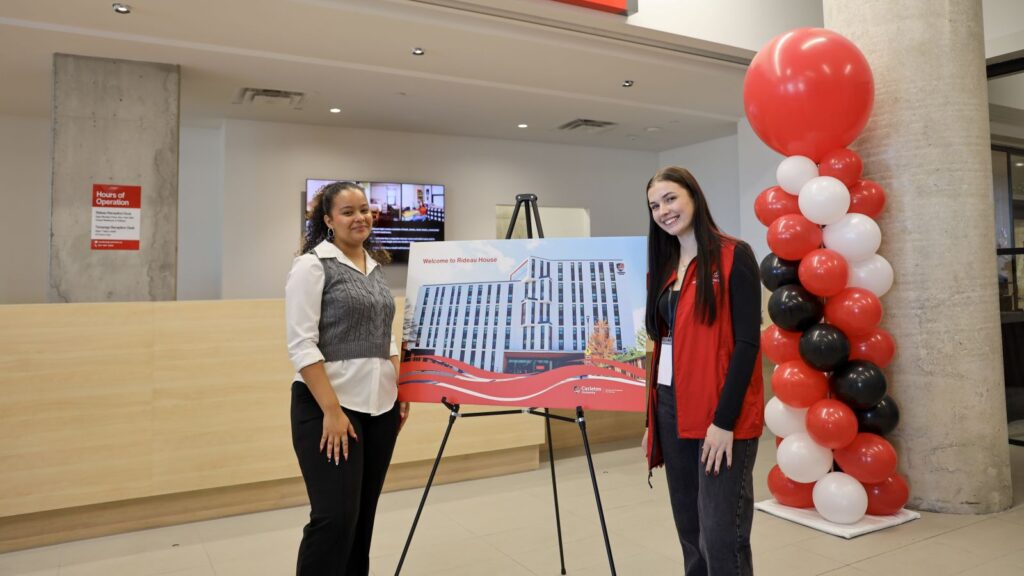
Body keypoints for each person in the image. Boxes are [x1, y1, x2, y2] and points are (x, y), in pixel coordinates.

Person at [642, 167, 764, 576]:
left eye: (670, 198)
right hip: (671, 407)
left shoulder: (735, 255)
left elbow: (748, 343)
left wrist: (724, 421)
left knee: (720, 533)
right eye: (655, 205)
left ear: (693, 196)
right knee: (690, 530)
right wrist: (652, 420)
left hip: (720, 412)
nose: (664, 211)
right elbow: (664, 344)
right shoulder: (666, 264)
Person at [286, 181, 410, 575]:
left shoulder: (374, 267)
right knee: (334, 518)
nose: (360, 218)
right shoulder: (312, 265)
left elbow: (385, 335)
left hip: (381, 408)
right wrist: (332, 410)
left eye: (364, 210)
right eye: (348, 212)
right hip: (330, 408)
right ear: (328, 220)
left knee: (361, 517)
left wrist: (400, 385)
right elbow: (302, 345)